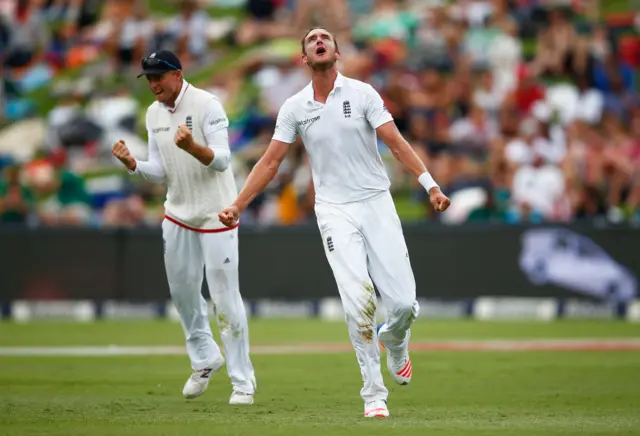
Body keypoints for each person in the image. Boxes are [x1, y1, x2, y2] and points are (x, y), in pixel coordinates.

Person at [219, 28, 451, 418]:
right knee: (358, 300)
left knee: (405, 305)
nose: (319, 40)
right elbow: (271, 162)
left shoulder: (363, 94)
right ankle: (373, 393)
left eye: (325, 37)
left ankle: (394, 340)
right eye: (311, 40)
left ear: (337, 52)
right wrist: (239, 204)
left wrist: (430, 185)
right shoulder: (294, 106)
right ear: (305, 59)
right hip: (333, 209)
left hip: (377, 202)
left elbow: (395, 142)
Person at [112, 50, 256, 405]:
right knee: (183, 293)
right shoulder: (153, 113)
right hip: (177, 212)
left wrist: (193, 147)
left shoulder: (208, 104)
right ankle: (205, 358)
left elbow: (222, 160)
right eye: (148, 78)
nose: (153, 84)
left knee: (225, 299)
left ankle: (243, 382)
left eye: (158, 76)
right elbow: (160, 170)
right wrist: (133, 164)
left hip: (216, 215)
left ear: (178, 74)